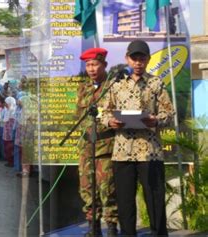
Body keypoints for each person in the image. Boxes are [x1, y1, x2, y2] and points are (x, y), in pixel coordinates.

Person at [102, 40, 174, 236]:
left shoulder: (156, 83)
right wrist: (110, 122)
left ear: (148, 60)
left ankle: (158, 233)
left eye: (142, 58)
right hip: (122, 152)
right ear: (127, 59)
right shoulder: (116, 85)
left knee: (155, 199)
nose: (138, 63)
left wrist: (156, 120)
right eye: (134, 58)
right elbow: (104, 112)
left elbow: (169, 114)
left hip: (150, 152)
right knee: (125, 201)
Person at [77, 48, 118, 236]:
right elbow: (78, 115)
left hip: (106, 146)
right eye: (88, 65)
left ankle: (111, 228)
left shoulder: (114, 87)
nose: (91, 69)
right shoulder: (83, 88)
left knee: (108, 189)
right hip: (87, 147)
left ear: (104, 65)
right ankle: (93, 228)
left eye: (95, 64)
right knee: (87, 188)